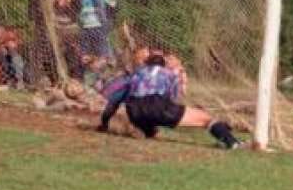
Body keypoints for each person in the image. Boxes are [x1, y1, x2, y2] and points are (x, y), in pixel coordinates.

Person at [97, 49, 242, 149]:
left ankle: (148, 131)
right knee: (206, 119)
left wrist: (104, 124)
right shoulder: (169, 74)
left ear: (146, 63)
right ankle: (233, 143)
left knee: (151, 127)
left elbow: (113, 102)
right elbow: (173, 98)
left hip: (134, 111)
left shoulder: (134, 75)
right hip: (157, 105)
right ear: (163, 64)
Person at [78, 0, 117, 64]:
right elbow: (77, 7)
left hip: (98, 26)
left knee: (102, 51)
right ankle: (90, 68)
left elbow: (113, 5)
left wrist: (109, 19)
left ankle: (109, 60)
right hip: (85, 27)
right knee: (84, 54)